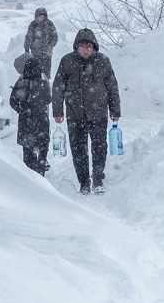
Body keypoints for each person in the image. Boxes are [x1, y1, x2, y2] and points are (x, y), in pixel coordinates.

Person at [52, 28, 121, 195]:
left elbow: (112, 87)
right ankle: (84, 182)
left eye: (89, 46)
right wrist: (57, 111)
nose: (86, 50)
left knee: (99, 147)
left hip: (98, 113)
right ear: (77, 47)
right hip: (75, 114)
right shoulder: (67, 61)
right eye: (82, 46)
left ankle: (98, 180)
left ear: (94, 47)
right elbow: (58, 87)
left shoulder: (103, 61)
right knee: (79, 150)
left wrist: (115, 109)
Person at [10, 57, 51, 177]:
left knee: (28, 150)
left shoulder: (21, 81)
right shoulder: (43, 82)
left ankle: (30, 176)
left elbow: (13, 101)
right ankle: (41, 169)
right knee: (43, 146)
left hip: (25, 121)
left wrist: (23, 110)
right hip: (41, 119)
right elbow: (48, 99)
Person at [23, 8, 58, 79]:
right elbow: (28, 36)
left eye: (43, 17)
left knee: (46, 72)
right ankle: (36, 84)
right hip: (35, 52)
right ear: (36, 16)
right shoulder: (33, 25)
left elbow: (55, 37)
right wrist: (26, 48)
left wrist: (50, 46)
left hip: (47, 53)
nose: (41, 18)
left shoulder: (49, 24)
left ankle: (46, 84)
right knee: (35, 70)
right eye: (39, 17)